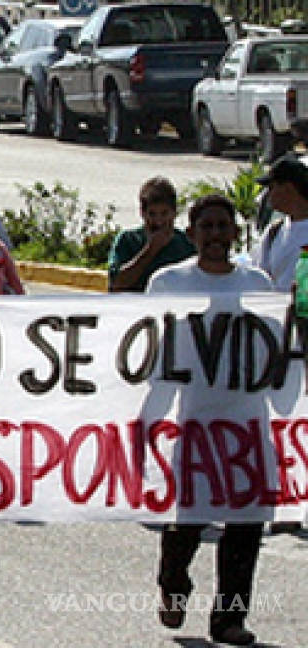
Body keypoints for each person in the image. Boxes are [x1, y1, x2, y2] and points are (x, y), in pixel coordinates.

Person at [146, 194, 273, 647]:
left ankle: (229, 620)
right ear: (193, 233)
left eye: (223, 227)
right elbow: (152, 357)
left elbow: (279, 352)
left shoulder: (259, 284)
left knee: (246, 527)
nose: (216, 236)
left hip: (248, 428)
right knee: (188, 524)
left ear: (235, 233)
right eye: (207, 227)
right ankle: (173, 586)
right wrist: (146, 421)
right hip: (194, 425)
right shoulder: (168, 283)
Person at [108, 176, 196, 293]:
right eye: (152, 214)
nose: (158, 221)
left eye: (164, 214)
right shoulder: (128, 240)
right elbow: (116, 283)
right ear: (142, 213)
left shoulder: (187, 243)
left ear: (174, 212)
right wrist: (150, 250)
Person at [252, 157, 308, 291]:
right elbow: (259, 277)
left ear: (288, 188)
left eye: (271, 187)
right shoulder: (274, 231)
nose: (267, 194)